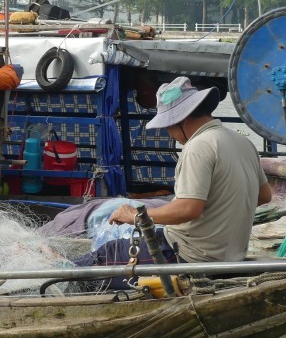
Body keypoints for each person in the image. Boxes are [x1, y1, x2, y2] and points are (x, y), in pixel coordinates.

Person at [73, 76, 272, 274]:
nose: (170, 134)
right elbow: (264, 196)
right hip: (231, 256)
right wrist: (221, 210)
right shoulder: (243, 143)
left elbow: (188, 209)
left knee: (105, 255)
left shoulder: (198, 146)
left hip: (188, 255)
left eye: (169, 127)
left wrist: (135, 216)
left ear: (181, 119)